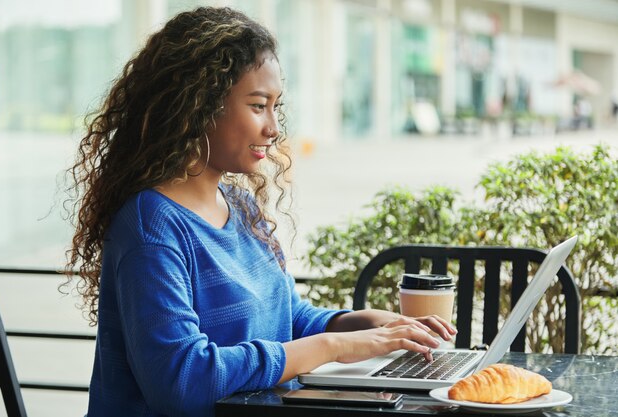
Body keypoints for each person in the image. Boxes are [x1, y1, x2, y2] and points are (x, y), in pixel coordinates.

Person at [63, 7, 456, 417]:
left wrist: (360, 324)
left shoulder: (240, 205)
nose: (274, 128)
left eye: (275, 106)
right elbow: (183, 381)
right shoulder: (150, 226)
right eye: (257, 106)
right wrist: (334, 347)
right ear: (197, 107)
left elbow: (289, 318)